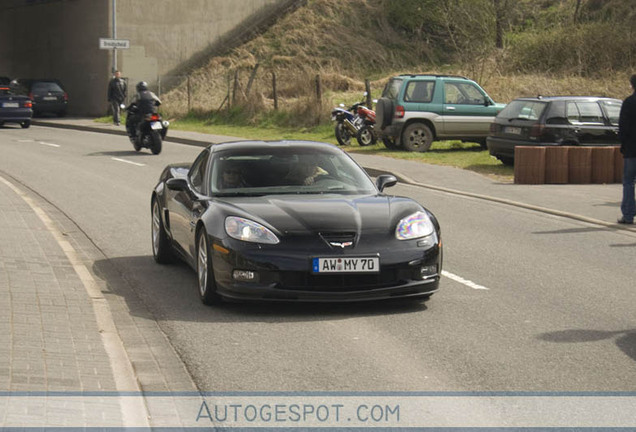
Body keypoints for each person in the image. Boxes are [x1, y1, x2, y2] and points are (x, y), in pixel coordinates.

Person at [618, 74, 636, 225]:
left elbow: (623, 128)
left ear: (632, 85)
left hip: (632, 149)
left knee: (629, 182)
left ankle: (628, 215)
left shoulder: (629, 102)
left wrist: (623, 144)